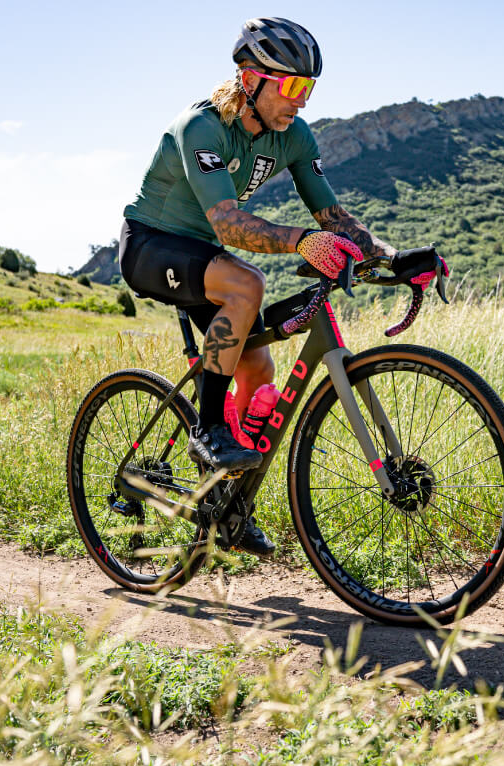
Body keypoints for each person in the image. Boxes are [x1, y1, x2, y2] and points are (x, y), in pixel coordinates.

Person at [115, 17, 392, 557]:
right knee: (248, 285)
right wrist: (303, 243)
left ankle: (227, 506)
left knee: (258, 369)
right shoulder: (202, 127)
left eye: (307, 88)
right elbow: (228, 224)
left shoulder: (293, 135)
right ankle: (209, 429)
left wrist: (393, 254)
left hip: (202, 257)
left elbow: (331, 213)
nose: (301, 100)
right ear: (250, 79)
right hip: (151, 245)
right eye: (290, 86)